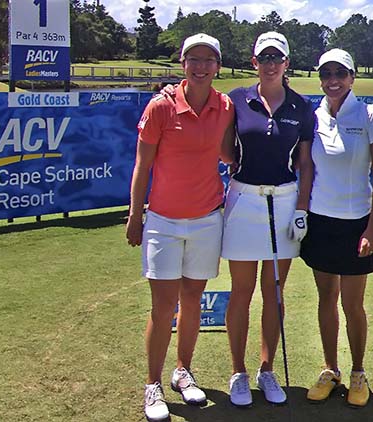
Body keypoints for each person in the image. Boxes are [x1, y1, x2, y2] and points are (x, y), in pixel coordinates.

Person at [126, 33, 235, 421]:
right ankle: (152, 384)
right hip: (163, 221)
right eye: (194, 59)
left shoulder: (225, 106)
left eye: (209, 60)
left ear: (218, 66)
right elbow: (143, 166)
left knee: (192, 300)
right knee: (163, 306)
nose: (202, 66)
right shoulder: (161, 106)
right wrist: (135, 214)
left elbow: (225, 151)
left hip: (207, 219)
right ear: (183, 63)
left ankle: (182, 372)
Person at [222, 31, 315, 407]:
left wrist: (302, 210)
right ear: (254, 62)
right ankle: (238, 372)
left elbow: (305, 165)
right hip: (245, 200)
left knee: (273, 293)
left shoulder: (302, 107)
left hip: (284, 202)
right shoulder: (236, 101)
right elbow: (226, 150)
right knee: (241, 292)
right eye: (264, 57)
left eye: (278, 57)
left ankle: (266, 369)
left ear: (287, 63)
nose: (271, 63)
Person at [300, 49, 373, 408]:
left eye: (340, 73)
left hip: (356, 225)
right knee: (326, 300)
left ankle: (357, 373)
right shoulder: (314, 114)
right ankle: (330, 369)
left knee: (353, 306)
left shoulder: (370, 115)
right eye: (326, 73)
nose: (332, 80)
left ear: (352, 77)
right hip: (321, 222)